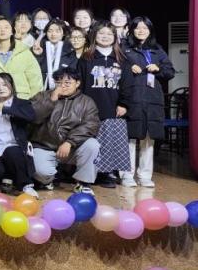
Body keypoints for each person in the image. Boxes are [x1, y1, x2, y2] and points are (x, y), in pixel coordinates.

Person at [119, 16, 175, 188]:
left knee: (149, 139)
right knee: (129, 138)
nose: (141, 31)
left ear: (150, 31)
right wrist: (127, 68)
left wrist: (158, 69)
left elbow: (170, 72)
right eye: (137, 28)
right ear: (131, 30)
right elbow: (115, 68)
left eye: (145, 28)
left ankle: (144, 176)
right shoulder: (124, 48)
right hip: (131, 97)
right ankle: (126, 175)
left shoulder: (157, 50)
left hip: (152, 99)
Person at [29, 66, 100, 194]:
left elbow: (91, 125)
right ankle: (49, 180)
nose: (62, 86)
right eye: (59, 82)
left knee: (92, 145)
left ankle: (83, 183)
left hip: (72, 148)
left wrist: (69, 142)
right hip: (45, 145)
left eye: (67, 83)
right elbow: (33, 117)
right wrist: (52, 99)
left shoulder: (87, 102)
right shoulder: (42, 96)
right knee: (40, 172)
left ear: (77, 83)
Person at [79, 22, 130, 187]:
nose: (105, 37)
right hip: (90, 108)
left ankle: (107, 174)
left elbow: (127, 84)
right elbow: (79, 83)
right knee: (90, 140)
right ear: (94, 36)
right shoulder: (86, 58)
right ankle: (89, 174)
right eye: (101, 33)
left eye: (109, 34)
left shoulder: (122, 59)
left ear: (115, 37)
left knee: (109, 141)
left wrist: (123, 104)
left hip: (112, 106)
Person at [0, 16, 43, 100]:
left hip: (22, 99)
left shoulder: (24, 52)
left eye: (6, 27)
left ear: (12, 31)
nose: (2, 30)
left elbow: (35, 79)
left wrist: (32, 102)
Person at [33, 19, 68, 90]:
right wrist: (38, 55)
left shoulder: (69, 51)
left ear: (64, 33)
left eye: (57, 31)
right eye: (50, 31)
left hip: (62, 90)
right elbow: (34, 70)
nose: (53, 34)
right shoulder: (39, 48)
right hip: (41, 90)